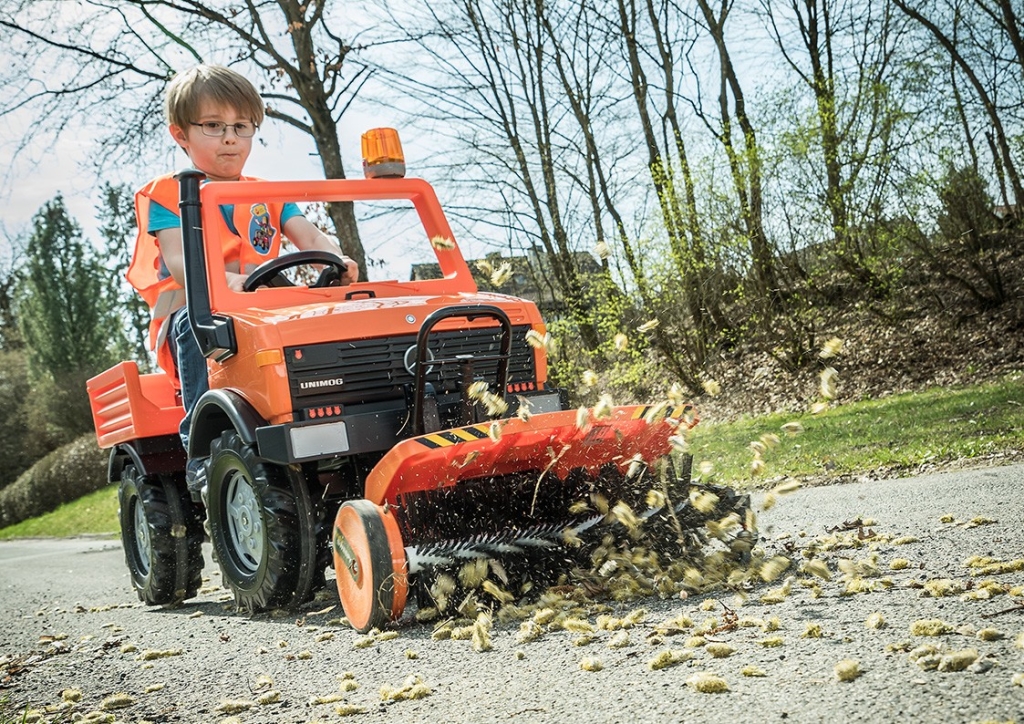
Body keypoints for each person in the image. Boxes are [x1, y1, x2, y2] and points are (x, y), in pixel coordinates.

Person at [126, 64, 358, 490]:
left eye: (240, 126)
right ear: (182, 134)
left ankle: (332, 413)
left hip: (259, 310)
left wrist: (336, 258)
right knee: (194, 324)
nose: (230, 137)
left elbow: (307, 234)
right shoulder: (168, 194)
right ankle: (200, 444)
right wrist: (220, 284)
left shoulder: (266, 194)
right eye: (213, 126)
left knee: (324, 316)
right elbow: (178, 258)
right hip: (194, 314)